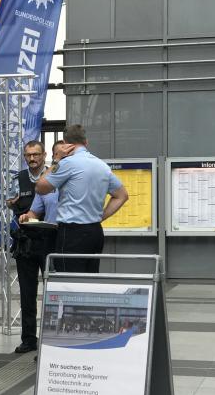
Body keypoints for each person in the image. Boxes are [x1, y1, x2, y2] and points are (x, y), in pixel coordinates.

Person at [36, 125, 129, 273]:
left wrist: (56, 160)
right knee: (89, 281)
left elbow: (40, 187)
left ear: (66, 143)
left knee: (68, 280)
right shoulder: (102, 166)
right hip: (95, 231)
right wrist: (100, 217)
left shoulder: (67, 163)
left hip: (71, 232)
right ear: (86, 141)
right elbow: (122, 196)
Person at [12, 140, 63, 354]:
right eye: (28, 155)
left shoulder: (55, 177)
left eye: (36, 155)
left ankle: (53, 338)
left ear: (44, 156)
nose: (32, 159)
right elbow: (12, 202)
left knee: (54, 291)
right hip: (26, 240)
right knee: (27, 292)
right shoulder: (19, 179)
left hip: (50, 240)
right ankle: (28, 338)